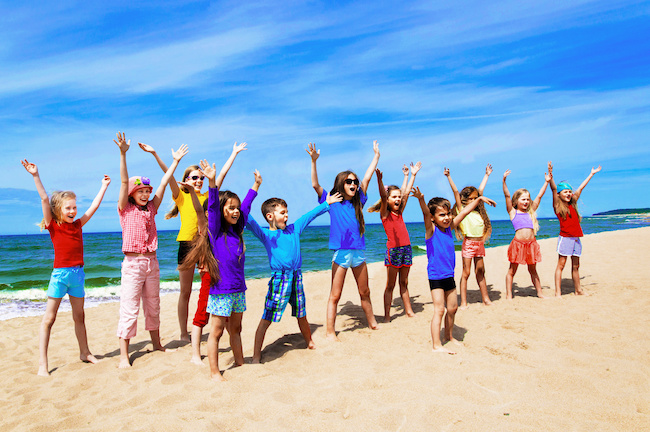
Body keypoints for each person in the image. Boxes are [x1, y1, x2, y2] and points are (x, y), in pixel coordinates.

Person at [140, 141, 247, 342]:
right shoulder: (181, 195)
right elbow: (168, 177)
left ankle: (217, 321)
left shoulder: (209, 195)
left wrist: (233, 153)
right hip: (187, 246)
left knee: (211, 286)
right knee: (185, 292)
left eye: (201, 177)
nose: (199, 180)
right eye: (194, 178)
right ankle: (183, 332)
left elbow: (220, 175)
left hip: (208, 246)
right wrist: (159, 155)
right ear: (187, 180)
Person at [21, 160, 110, 376]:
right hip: (60, 276)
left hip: (78, 275)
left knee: (80, 317)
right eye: (68, 208)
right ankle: (43, 364)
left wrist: (104, 186)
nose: (72, 211)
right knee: (49, 319)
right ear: (57, 210)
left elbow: (94, 207)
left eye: (74, 207)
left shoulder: (78, 224)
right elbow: (44, 198)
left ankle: (85, 353)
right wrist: (35, 175)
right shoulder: (54, 226)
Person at [246, 177, 343, 363]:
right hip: (279, 279)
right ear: (270, 216)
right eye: (282, 212)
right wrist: (255, 188)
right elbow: (247, 218)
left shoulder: (294, 229)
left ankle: (310, 342)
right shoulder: (266, 235)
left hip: (296, 277)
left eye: (287, 212)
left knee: (301, 313)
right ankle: (257, 355)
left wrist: (326, 204)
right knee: (267, 317)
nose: (287, 215)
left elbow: (309, 215)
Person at [114, 132, 188, 368]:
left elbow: (165, 181)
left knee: (153, 304)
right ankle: (124, 354)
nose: (145, 194)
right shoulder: (125, 209)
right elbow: (124, 182)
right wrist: (123, 154)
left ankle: (156, 343)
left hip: (152, 262)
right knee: (130, 306)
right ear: (132, 195)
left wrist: (174, 161)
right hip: (133, 264)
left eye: (147, 190)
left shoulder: (152, 209)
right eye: (141, 191)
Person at [184, 158, 257, 381]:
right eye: (230, 208)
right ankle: (215, 372)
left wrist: (255, 187)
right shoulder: (215, 231)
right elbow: (213, 207)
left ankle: (240, 362)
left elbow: (245, 207)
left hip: (238, 290)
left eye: (236, 209)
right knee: (216, 332)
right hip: (221, 291)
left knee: (236, 329)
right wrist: (212, 182)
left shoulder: (238, 230)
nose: (235, 212)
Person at [307, 141, 380, 341]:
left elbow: (367, 177)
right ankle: (330, 332)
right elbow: (315, 185)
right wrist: (314, 161)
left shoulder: (360, 201)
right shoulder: (332, 200)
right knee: (335, 295)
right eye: (349, 182)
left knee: (364, 290)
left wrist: (376, 157)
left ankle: (372, 323)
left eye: (354, 182)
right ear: (341, 184)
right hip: (341, 253)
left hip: (358, 252)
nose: (353, 184)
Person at [411, 186, 496, 354]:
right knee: (439, 310)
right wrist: (421, 199)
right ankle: (436, 345)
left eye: (448, 213)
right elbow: (426, 215)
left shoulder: (449, 229)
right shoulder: (431, 231)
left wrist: (478, 200)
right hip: (436, 276)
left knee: (453, 308)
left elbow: (463, 213)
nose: (447, 217)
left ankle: (449, 336)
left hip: (449, 275)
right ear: (434, 218)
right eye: (442, 215)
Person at [367, 162, 421, 322]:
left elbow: (405, 194)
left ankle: (409, 311)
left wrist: (410, 175)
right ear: (388, 199)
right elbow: (384, 197)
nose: (398, 199)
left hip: (407, 249)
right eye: (394, 197)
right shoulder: (385, 214)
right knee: (390, 285)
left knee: (404, 282)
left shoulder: (400, 212)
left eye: (398, 197)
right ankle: (387, 316)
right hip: (394, 252)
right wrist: (379, 181)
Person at [547, 162, 601, 297]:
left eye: (570, 191)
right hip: (565, 238)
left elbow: (581, 188)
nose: (569, 193)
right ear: (559, 194)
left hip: (576, 238)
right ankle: (558, 292)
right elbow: (553, 189)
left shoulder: (573, 203)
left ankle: (578, 290)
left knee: (576, 266)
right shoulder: (558, 207)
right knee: (561, 265)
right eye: (565, 191)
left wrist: (591, 174)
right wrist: (551, 177)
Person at [444, 165, 494, 307]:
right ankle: (464, 302)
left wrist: (487, 175)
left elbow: (481, 191)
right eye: (471, 198)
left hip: (479, 244)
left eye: (476, 198)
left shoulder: (479, 211)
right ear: (465, 200)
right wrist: (448, 176)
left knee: (480, 272)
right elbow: (455, 192)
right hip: (469, 244)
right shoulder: (462, 210)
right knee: (466, 273)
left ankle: (486, 299)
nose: (475, 200)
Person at [502, 169, 551, 300]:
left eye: (528, 199)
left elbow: (539, 196)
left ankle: (540, 293)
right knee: (512, 270)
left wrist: (546, 182)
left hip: (531, 244)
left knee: (533, 270)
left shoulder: (531, 212)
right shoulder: (513, 212)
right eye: (523, 199)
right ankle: (509, 295)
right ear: (516, 201)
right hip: (518, 245)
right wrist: (504, 181)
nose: (526, 202)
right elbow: (507, 196)